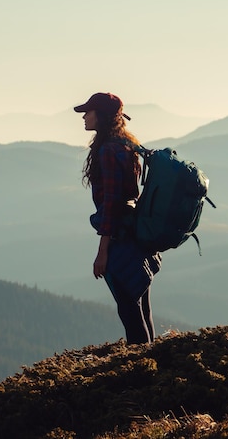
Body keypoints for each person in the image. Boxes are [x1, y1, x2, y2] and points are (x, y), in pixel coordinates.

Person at [74, 92, 162, 344]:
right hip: (136, 234)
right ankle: (151, 361)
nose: (84, 116)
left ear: (101, 116)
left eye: (88, 111)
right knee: (141, 305)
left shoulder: (107, 151)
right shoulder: (126, 146)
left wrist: (103, 252)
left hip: (120, 238)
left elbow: (111, 202)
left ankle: (140, 369)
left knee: (129, 308)